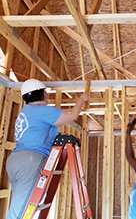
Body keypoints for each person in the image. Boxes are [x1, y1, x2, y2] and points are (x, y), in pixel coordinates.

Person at [5, 78, 88, 219]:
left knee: (20, 204)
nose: (47, 95)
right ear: (41, 94)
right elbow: (73, 115)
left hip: (15, 161)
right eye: (45, 92)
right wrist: (81, 100)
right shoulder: (42, 111)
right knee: (22, 211)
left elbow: (61, 113)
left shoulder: (28, 111)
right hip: (30, 162)